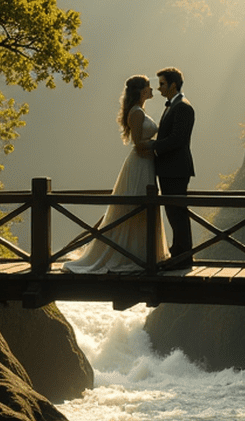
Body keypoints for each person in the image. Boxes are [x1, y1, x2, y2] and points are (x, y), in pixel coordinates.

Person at [64, 75, 169, 273]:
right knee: (137, 207)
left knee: (143, 208)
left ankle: (142, 254)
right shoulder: (137, 113)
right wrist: (159, 144)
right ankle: (132, 255)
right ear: (141, 91)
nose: (152, 89)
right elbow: (138, 144)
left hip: (146, 163)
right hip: (140, 163)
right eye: (148, 86)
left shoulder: (140, 111)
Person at [137, 67, 195, 269]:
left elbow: (178, 139)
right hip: (169, 167)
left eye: (162, 83)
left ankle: (183, 257)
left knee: (177, 211)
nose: (159, 87)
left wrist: (152, 145)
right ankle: (178, 253)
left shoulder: (183, 107)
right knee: (172, 211)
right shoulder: (173, 106)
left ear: (173, 85)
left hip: (177, 168)